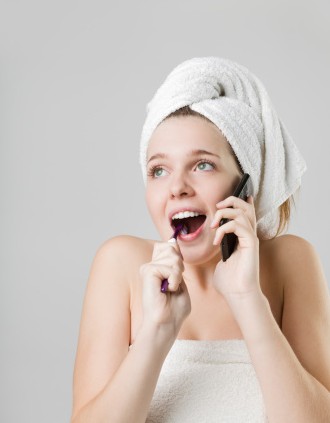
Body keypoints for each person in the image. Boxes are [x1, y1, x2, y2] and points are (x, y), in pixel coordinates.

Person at [70, 57, 330, 423]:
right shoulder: (123, 265)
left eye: (202, 165)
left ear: (245, 185)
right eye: (159, 170)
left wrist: (247, 300)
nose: (176, 187)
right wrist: (157, 333)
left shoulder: (291, 262)